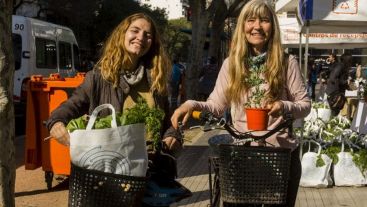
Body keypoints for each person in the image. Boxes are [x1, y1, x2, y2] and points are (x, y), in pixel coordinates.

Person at [171, 1, 311, 206]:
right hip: (242, 158)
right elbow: (216, 106)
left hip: (280, 157)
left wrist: (284, 105)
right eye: (250, 20)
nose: (257, 26)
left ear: (272, 25)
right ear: (242, 26)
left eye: (264, 20)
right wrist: (191, 104)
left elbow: (305, 105)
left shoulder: (287, 62)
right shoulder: (231, 64)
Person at [46, 13, 182, 163]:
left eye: (147, 35)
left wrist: (172, 135)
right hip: (110, 168)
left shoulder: (155, 79)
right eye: (135, 30)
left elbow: (169, 120)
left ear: (152, 43)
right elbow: (71, 105)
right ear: (122, 34)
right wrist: (56, 122)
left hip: (150, 167)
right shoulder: (98, 78)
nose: (141, 37)